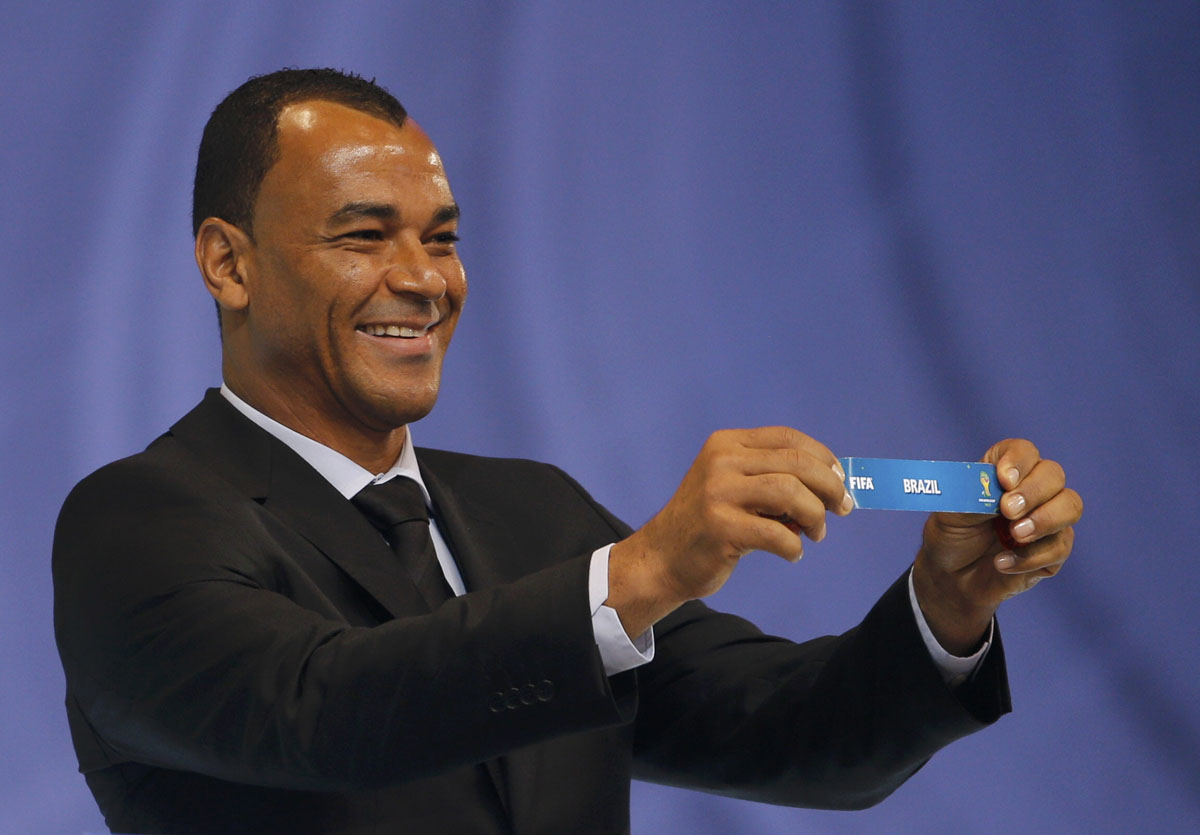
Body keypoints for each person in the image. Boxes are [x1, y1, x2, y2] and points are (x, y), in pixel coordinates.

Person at [53, 68, 1081, 834]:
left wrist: (948, 606)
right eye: (364, 236)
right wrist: (634, 577)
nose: (425, 279)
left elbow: (797, 739)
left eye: (444, 237)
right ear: (228, 264)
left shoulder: (532, 515)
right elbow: (323, 714)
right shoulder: (137, 523)